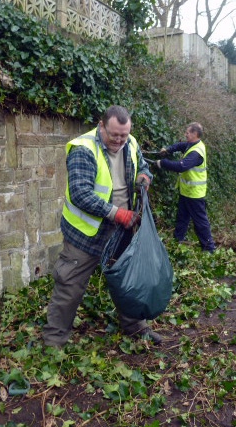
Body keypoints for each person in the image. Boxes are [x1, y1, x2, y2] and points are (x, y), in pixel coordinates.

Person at [43, 105, 162, 347]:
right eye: (113, 134)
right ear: (101, 125)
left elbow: (143, 166)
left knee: (127, 278)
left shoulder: (131, 143)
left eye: (123, 135)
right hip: (85, 233)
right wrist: (116, 214)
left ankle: (135, 326)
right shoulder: (83, 149)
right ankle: (54, 341)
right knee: (70, 286)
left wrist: (145, 177)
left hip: (122, 230)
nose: (118, 140)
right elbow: (80, 193)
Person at [156, 122, 216, 252]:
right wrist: (168, 149)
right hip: (186, 192)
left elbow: (181, 166)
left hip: (194, 194)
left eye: (188, 132)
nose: (185, 134)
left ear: (195, 134)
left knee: (200, 223)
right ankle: (177, 242)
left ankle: (209, 249)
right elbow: (180, 145)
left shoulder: (196, 153)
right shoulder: (192, 145)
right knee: (182, 218)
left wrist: (163, 163)